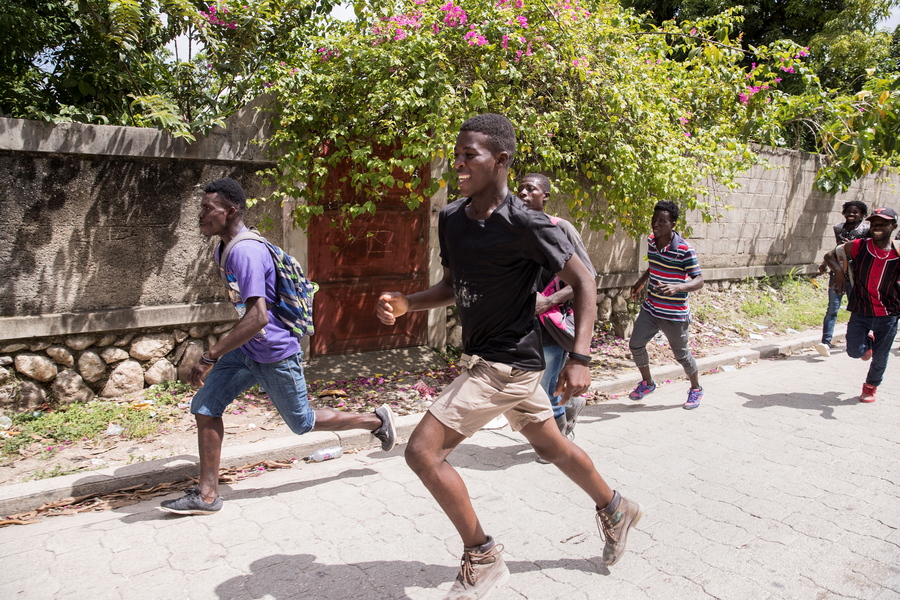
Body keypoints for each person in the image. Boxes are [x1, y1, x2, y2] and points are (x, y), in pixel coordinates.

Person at [376, 114, 642, 599]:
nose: (458, 164)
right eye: (455, 155)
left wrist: (580, 358)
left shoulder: (528, 225)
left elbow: (585, 283)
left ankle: (483, 555)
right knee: (551, 446)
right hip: (499, 360)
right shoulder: (452, 218)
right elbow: (455, 286)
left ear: (500, 161)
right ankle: (615, 507)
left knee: (421, 452)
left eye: (469, 156)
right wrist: (409, 302)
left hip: (504, 364)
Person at [161, 178, 397, 515]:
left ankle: (374, 421)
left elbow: (257, 317)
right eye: (201, 208)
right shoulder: (223, 247)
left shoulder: (245, 251)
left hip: (274, 353)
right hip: (247, 349)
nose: (200, 215)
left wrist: (211, 355)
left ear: (229, 211)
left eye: (207, 209)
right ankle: (208, 495)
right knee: (205, 406)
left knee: (302, 422)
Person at [517, 173, 597, 442]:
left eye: (531, 189)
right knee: (531, 386)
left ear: (546, 196)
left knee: (547, 387)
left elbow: (589, 278)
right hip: (523, 325)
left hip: (552, 323)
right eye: (520, 190)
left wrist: (549, 301)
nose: (524, 194)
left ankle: (560, 441)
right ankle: (571, 406)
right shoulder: (516, 230)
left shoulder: (560, 228)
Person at [628, 201, 705, 409]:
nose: (656, 224)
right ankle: (648, 383)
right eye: (654, 220)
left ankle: (696, 389)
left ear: (673, 223)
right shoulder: (652, 241)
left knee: (681, 354)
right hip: (652, 307)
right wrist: (640, 282)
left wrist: (677, 287)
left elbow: (699, 280)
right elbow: (654, 265)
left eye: (662, 221)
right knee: (636, 344)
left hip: (674, 314)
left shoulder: (684, 249)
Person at [823, 207, 900, 403]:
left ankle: (870, 386)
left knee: (881, 357)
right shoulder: (859, 245)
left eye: (884, 223)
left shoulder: (898, 252)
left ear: (893, 226)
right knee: (854, 351)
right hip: (861, 309)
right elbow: (830, 255)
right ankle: (869, 343)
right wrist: (839, 272)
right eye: (874, 223)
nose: (878, 227)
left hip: (888, 312)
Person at [814, 200, 869, 357]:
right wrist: (826, 262)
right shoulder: (838, 228)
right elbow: (837, 248)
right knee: (832, 308)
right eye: (848, 211)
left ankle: (857, 339)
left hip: (856, 276)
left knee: (857, 310)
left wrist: (853, 247)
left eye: (855, 212)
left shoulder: (866, 230)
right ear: (844, 213)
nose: (851, 214)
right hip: (837, 274)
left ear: (862, 215)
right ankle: (826, 342)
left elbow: (869, 250)